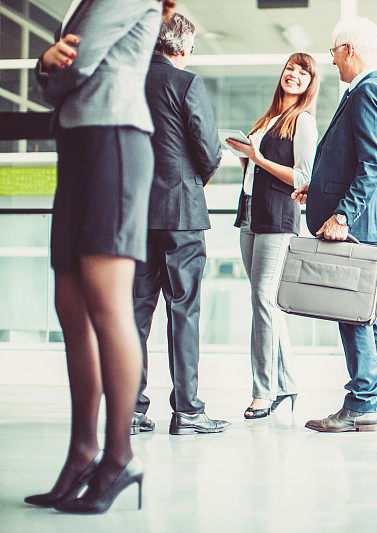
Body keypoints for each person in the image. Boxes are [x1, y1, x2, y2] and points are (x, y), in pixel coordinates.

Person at [25, 0, 173, 515]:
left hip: (114, 140)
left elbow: (76, 65)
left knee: (107, 305)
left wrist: (48, 65)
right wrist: (46, 63)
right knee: (71, 304)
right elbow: (55, 71)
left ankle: (120, 456)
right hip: (80, 145)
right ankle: (82, 452)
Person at [293, 18, 377, 432]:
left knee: (352, 311)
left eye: (335, 51)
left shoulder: (368, 91)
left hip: (353, 226)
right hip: (359, 222)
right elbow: (353, 159)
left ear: (350, 50)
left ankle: (361, 404)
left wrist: (341, 214)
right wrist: (316, 189)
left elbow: (373, 164)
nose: (333, 59)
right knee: (370, 312)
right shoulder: (369, 90)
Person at [130, 13, 229, 436]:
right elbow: (208, 150)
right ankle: (187, 410)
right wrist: (190, 181)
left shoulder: (128, 80)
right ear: (184, 47)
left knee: (135, 312)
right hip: (181, 215)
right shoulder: (187, 83)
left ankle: (131, 410)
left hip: (135, 212)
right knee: (183, 311)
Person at [226, 53, 320, 419]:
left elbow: (303, 178)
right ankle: (288, 383)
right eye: (290, 69)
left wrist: (259, 158)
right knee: (267, 302)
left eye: (303, 72)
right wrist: (245, 157)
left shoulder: (304, 122)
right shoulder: (269, 119)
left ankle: (263, 391)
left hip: (279, 218)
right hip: (251, 212)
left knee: (263, 301)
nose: (293, 75)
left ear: (311, 84)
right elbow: (257, 169)